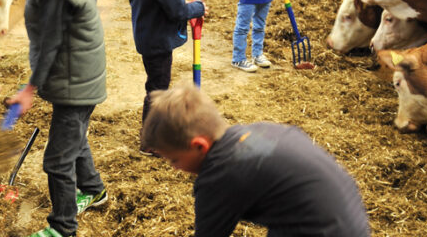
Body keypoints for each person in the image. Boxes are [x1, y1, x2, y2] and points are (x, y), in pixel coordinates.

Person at [4, 0, 107, 237]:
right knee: (74, 138)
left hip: (75, 82)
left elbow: (49, 46)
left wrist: (29, 88)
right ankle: (93, 190)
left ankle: (63, 227)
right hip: (78, 75)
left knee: (57, 161)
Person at [141, 84, 371, 237]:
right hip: (352, 224)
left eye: (174, 160)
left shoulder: (219, 175)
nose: (174, 168)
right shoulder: (260, 131)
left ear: (199, 145)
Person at [126, 0, 207, 155]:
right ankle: (150, 142)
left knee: (156, 84)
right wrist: (198, 8)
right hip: (159, 38)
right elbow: (177, 11)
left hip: (145, 32)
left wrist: (183, 4)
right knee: (158, 88)